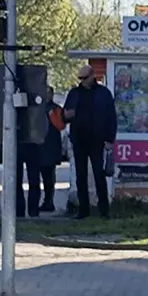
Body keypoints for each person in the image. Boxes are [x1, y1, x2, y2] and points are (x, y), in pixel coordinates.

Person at [64, 66, 116, 219]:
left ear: (93, 76)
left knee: (99, 174)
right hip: (79, 139)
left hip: (97, 139)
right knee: (81, 176)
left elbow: (111, 117)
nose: (82, 81)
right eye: (80, 79)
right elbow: (65, 115)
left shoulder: (103, 93)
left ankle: (104, 210)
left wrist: (109, 139)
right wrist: (67, 115)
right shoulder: (74, 93)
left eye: (84, 78)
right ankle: (83, 210)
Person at [38, 86, 64, 212]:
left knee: (49, 176)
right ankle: (41, 202)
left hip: (51, 146)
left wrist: (52, 116)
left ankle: (49, 201)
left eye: (49, 93)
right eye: (45, 93)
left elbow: (61, 125)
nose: (47, 95)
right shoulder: (37, 108)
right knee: (38, 176)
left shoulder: (56, 109)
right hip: (39, 146)